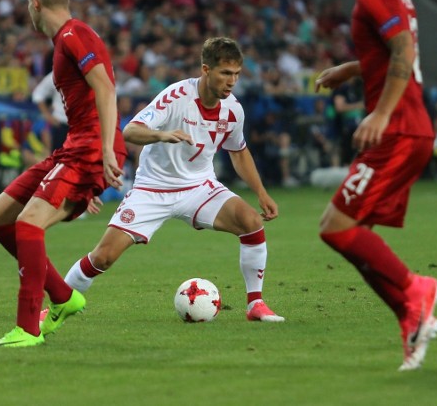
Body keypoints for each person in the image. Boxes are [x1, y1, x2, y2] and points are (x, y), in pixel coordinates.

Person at [57, 37, 284, 324]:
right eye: (225, 73)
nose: (232, 81)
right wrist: (162, 134)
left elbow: (238, 153)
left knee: (251, 222)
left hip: (200, 187)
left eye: (236, 74)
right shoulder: (175, 97)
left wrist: (261, 193)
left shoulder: (233, 110)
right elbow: (131, 131)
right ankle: (56, 305)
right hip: (153, 188)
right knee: (103, 257)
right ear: (206, 69)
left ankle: (255, 304)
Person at [314, 0, 437, 372]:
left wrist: (381, 113)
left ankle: (416, 290)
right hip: (409, 129)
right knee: (344, 227)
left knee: (337, 227)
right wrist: (350, 70)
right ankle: (411, 312)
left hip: (399, 130)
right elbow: (392, 49)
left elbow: (403, 52)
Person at [0, 0, 127, 348]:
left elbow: (107, 90)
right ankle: (63, 296)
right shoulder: (67, 38)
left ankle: (27, 328)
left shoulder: (73, 35)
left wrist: (105, 153)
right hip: (76, 148)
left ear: (35, 3)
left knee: (29, 225)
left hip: (90, 147)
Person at [32, 71, 68, 151]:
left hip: (84, 126)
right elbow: (38, 94)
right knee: (60, 161)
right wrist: (47, 116)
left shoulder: (87, 71)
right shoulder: (57, 73)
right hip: (61, 126)